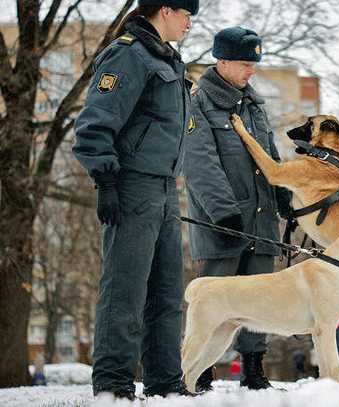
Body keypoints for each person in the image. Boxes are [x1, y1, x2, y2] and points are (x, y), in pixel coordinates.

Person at [72, 0, 199, 399]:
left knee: (166, 293)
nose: (190, 23)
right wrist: (106, 180)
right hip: (131, 185)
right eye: (186, 14)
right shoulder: (129, 55)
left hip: (163, 187)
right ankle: (112, 382)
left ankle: (165, 382)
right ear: (165, 10)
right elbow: (96, 121)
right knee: (125, 289)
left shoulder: (168, 60)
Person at [183, 26, 290, 392]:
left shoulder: (255, 107)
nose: (251, 71)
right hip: (222, 225)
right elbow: (199, 163)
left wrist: (283, 192)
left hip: (261, 224)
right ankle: (201, 371)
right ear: (222, 60)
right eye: (245, 63)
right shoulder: (197, 103)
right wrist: (224, 212)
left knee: (259, 300)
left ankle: (253, 370)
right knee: (214, 304)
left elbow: (270, 156)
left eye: (254, 64)